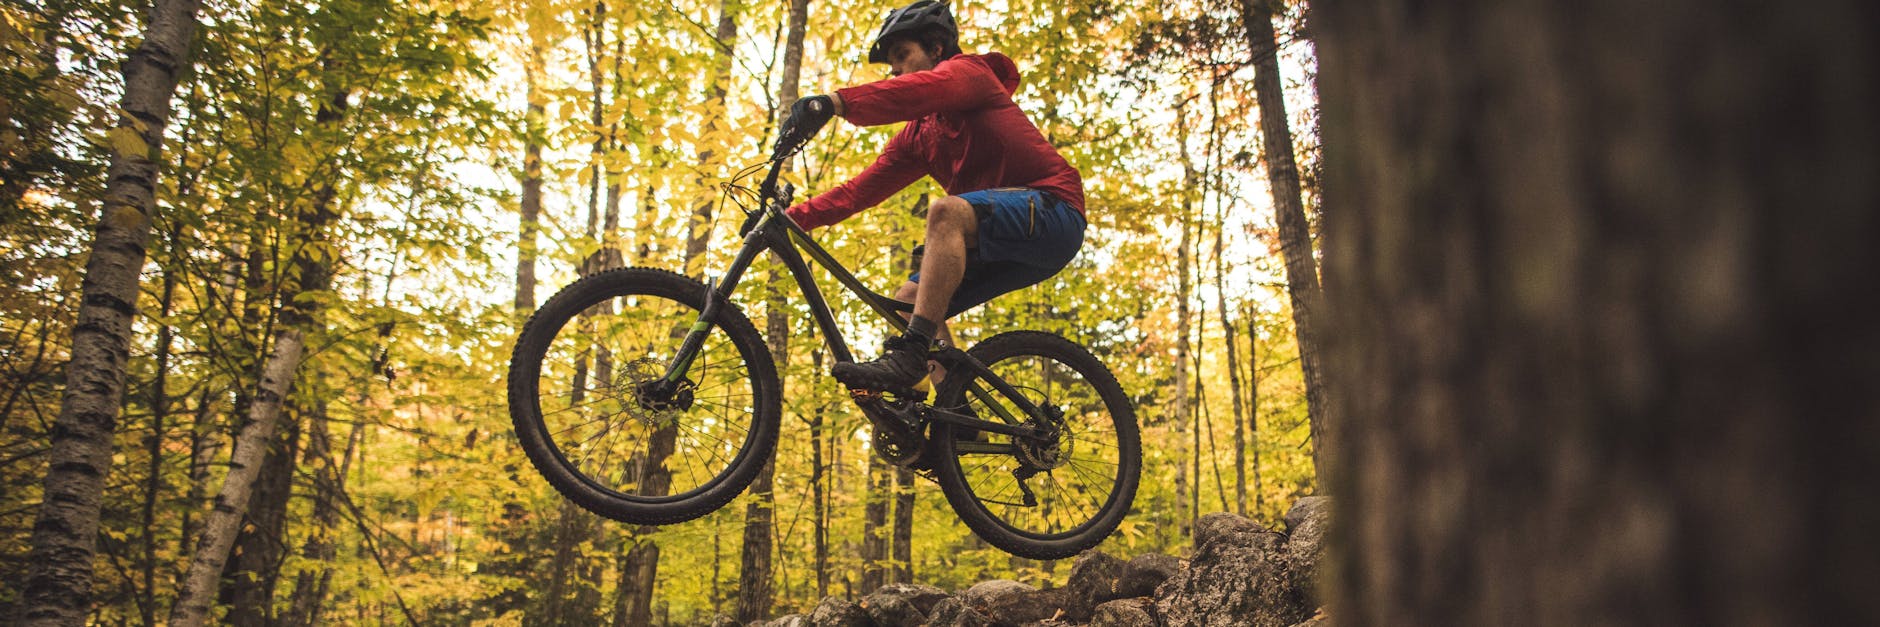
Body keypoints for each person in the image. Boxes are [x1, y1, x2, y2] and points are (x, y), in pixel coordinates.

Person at [777, 0, 1087, 392]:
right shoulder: (920, 136)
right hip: (1006, 240)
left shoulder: (970, 74)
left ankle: (910, 358)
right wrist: (795, 218)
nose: (896, 70)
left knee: (946, 213)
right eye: (893, 63)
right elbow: (859, 191)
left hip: (1054, 210)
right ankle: (953, 406)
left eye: (903, 55)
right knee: (909, 301)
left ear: (937, 49)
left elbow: (915, 91)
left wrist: (835, 103)